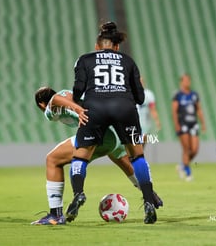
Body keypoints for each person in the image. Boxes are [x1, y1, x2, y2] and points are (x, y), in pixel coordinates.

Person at [66, 21, 159, 224]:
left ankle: (78, 193)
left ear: (97, 45)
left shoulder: (84, 59)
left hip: (94, 108)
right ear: (116, 46)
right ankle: (148, 201)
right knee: (136, 155)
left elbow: (77, 91)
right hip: (124, 107)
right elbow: (141, 98)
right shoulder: (128, 61)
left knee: (80, 156)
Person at [31, 87, 163, 225]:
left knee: (52, 159)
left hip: (96, 130)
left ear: (41, 104)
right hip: (112, 132)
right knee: (122, 160)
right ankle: (149, 193)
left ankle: (55, 215)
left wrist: (77, 109)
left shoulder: (51, 107)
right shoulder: (72, 94)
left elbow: (57, 99)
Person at [172, 73, 206, 181]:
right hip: (183, 124)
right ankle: (188, 173)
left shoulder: (194, 95)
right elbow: (174, 111)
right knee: (186, 149)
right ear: (181, 82)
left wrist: (203, 123)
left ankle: (182, 165)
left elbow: (199, 109)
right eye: (185, 80)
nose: (187, 82)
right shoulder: (177, 95)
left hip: (193, 124)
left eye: (188, 80)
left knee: (195, 150)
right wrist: (176, 124)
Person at [137, 77, 161, 145]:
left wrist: (157, 121)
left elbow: (152, 109)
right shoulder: (130, 93)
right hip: (134, 124)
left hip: (145, 124)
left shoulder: (149, 94)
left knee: (142, 144)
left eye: (142, 81)